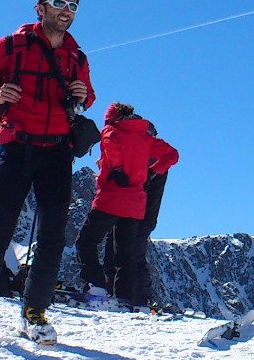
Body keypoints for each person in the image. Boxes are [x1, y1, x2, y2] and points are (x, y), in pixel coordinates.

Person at [0, 0, 93, 346]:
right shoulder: (12, 45)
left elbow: (88, 96)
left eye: (73, 6)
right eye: (59, 3)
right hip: (18, 146)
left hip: (58, 151)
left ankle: (35, 314)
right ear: (40, 8)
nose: (66, 11)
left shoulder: (77, 57)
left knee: (53, 236)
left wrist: (83, 95)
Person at [74, 103, 179, 310]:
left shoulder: (112, 131)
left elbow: (110, 143)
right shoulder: (146, 138)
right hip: (135, 205)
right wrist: (152, 171)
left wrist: (114, 169)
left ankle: (97, 288)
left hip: (111, 198)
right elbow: (172, 155)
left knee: (86, 242)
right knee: (124, 254)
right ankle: (124, 299)